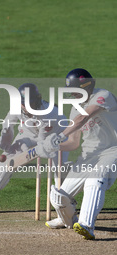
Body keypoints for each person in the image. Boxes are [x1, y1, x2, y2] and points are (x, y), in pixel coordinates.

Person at [36, 68, 117, 240]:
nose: (74, 95)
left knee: (95, 181)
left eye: (76, 91)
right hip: (88, 155)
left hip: (111, 151)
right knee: (59, 197)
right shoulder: (75, 110)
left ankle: (87, 225)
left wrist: (59, 136)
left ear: (87, 85)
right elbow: (73, 143)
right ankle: (68, 220)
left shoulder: (103, 96)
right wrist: (53, 146)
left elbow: (84, 118)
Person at [0, 83, 69, 214]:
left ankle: (66, 204)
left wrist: (25, 155)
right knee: (6, 161)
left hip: (56, 135)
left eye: (30, 104)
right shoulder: (17, 107)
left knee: (58, 168)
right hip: (29, 133)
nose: (27, 108)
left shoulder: (49, 113)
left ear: (37, 100)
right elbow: (7, 125)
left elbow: (42, 145)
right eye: (24, 104)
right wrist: (6, 144)